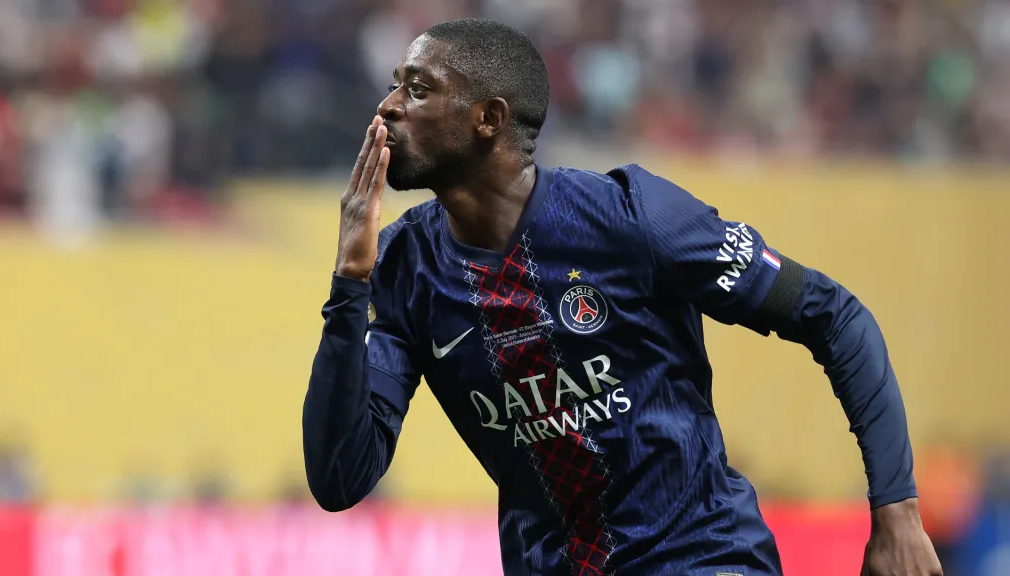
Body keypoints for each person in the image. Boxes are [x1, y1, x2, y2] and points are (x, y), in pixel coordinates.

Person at [302, 18, 942, 576]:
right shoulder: (405, 268)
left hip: (700, 557)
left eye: (416, 89)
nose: (386, 107)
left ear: (488, 119)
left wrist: (898, 511)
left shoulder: (632, 219)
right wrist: (348, 288)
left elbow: (835, 316)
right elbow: (340, 479)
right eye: (395, 85)